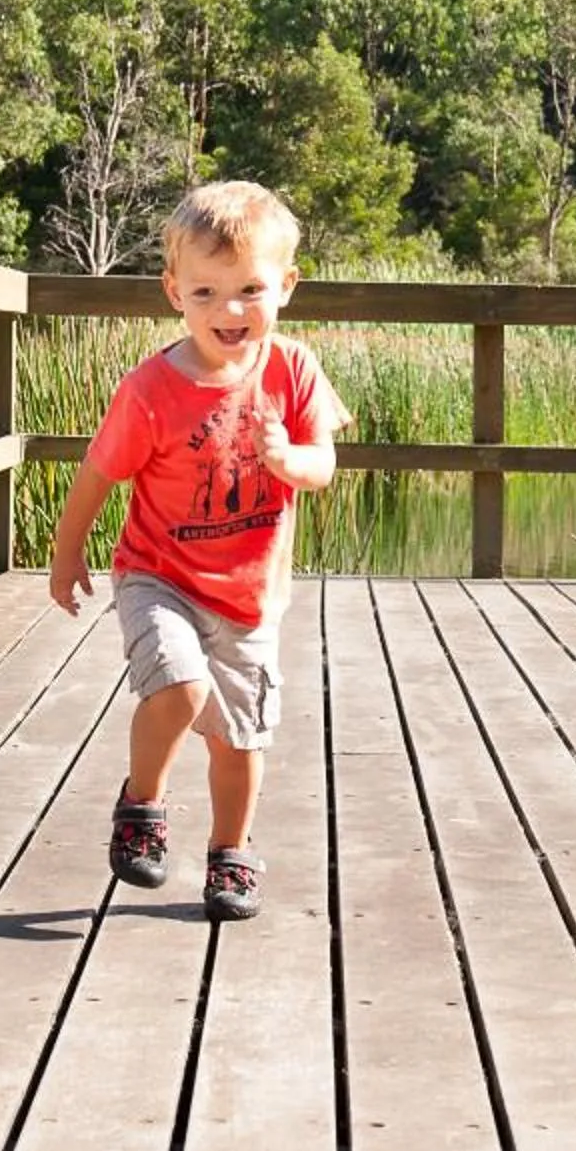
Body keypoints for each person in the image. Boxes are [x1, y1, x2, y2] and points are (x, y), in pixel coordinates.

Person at [47, 181, 349, 922]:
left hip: (249, 596)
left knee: (240, 740)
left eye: (250, 290)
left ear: (286, 285)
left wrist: (288, 461)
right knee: (179, 687)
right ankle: (141, 804)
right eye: (207, 292)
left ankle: (230, 855)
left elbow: (323, 464)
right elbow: (98, 472)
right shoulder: (151, 389)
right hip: (160, 577)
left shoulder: (293, 370)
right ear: (174, 292)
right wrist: (66, 551)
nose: (230, 310)